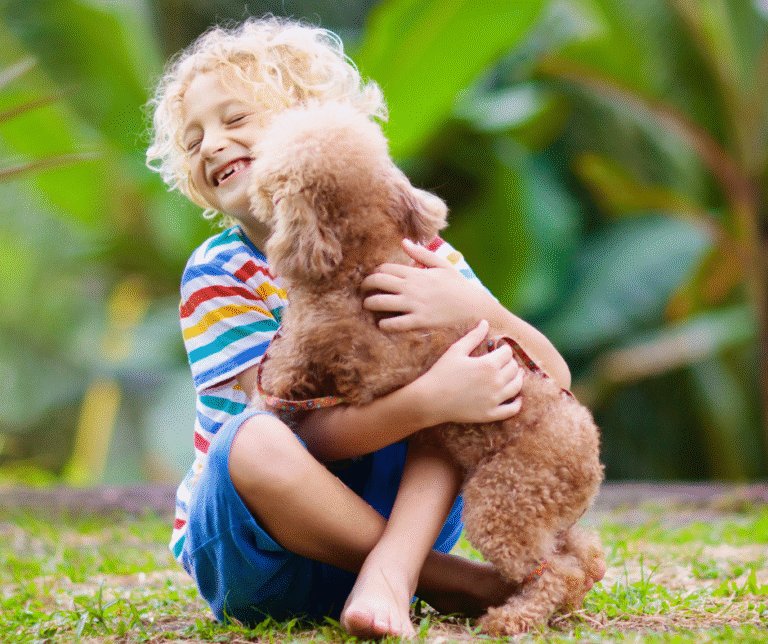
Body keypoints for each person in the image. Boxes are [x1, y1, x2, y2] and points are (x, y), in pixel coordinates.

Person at [146, 16, 596, 639]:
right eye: (193, 141)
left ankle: (393, 569)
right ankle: (452, 581)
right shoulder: (221, 273)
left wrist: (473, 308)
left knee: (472, 377)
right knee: (253, 437)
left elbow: (553, 378)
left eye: (235, 119)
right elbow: (289, 430)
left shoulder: (413, 245)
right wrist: (426, 401)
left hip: (405, 527)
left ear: (311, 121)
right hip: (260, 550)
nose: (213, 145)